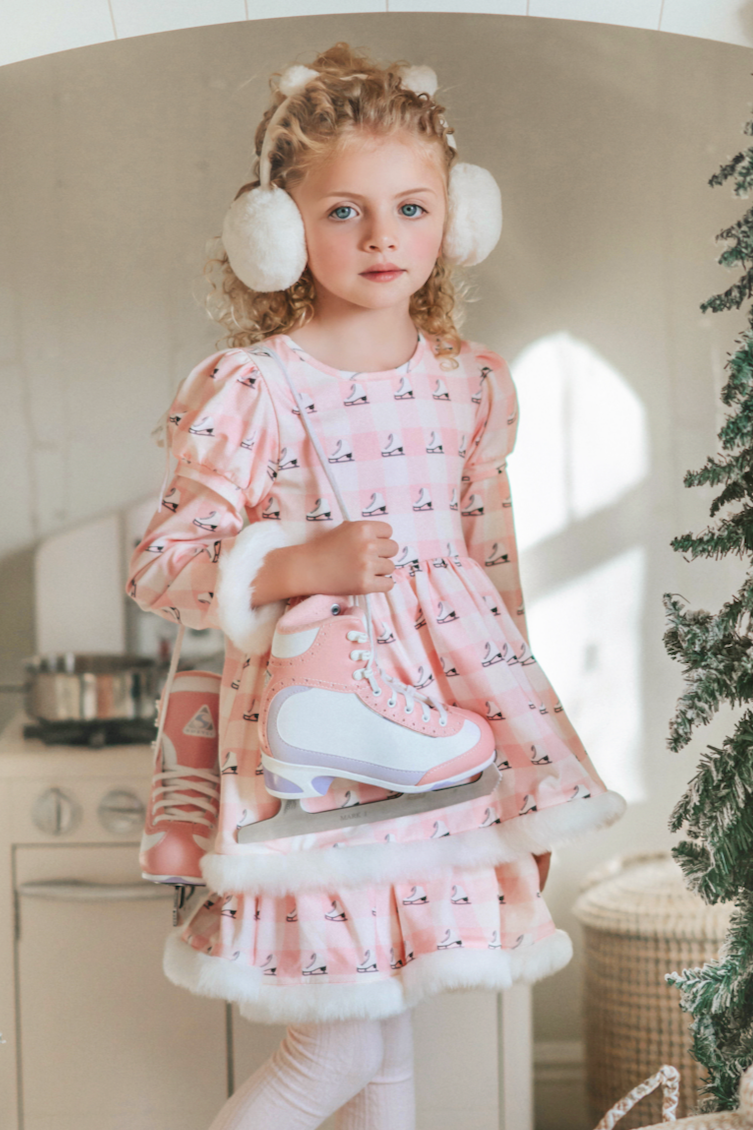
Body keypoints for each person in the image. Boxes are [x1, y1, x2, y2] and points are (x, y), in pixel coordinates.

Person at [127, 43, 624, 1130]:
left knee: (387, 1031)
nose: (383, 235)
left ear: (458, 216)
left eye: (411, 205)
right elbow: (164, 564)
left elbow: (496, 584)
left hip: (447, 750)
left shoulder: (468, 385)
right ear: (278, 228)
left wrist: (525, 773)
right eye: (344, 211)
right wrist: (297, 564)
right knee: (337, 1040)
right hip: (323, 766)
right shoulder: (257, 388)